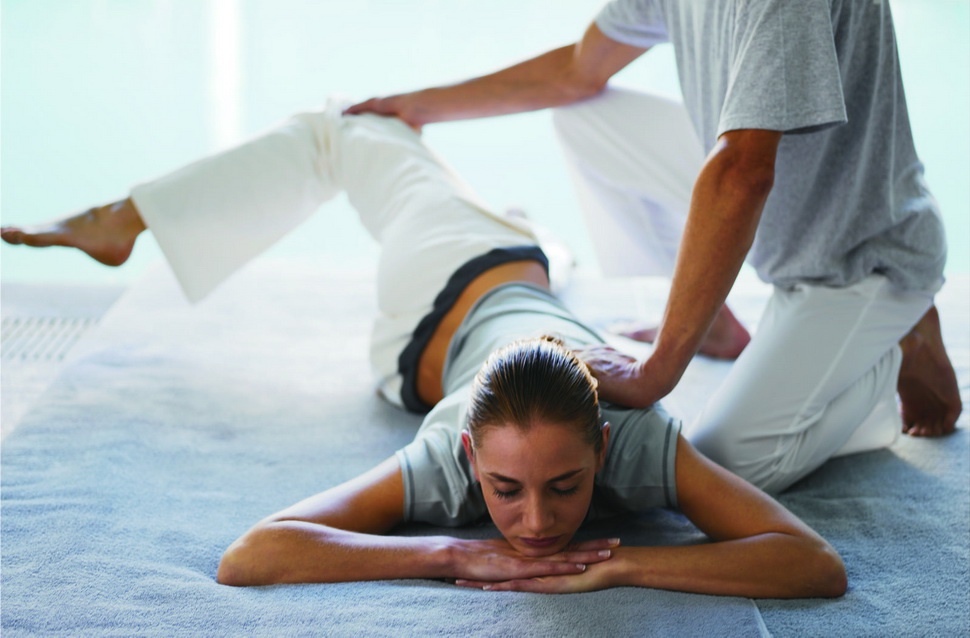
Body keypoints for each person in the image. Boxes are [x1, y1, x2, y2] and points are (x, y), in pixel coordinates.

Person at [0, 101, 846, 596]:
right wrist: (450, 551)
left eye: (565, 486)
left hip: (460, 319)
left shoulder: (638, 436)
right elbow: (251, 553)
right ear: (471, 456)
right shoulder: (446, 455)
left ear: (602, 446)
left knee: (355, 136)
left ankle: (125, 217)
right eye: (504, 490)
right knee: (349, 127)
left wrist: (627, 568)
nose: (537, 524)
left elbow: (814, 564)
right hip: (446, 281)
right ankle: (124, 218)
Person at [344, 0, 963, 492]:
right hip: (786, 201)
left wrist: (658, 368)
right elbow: (578, 69)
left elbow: (744, 172)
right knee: (586, 119)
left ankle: (891, 344)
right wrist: (414, 106)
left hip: (858, 255)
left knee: (721, 465)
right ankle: (714, 325)